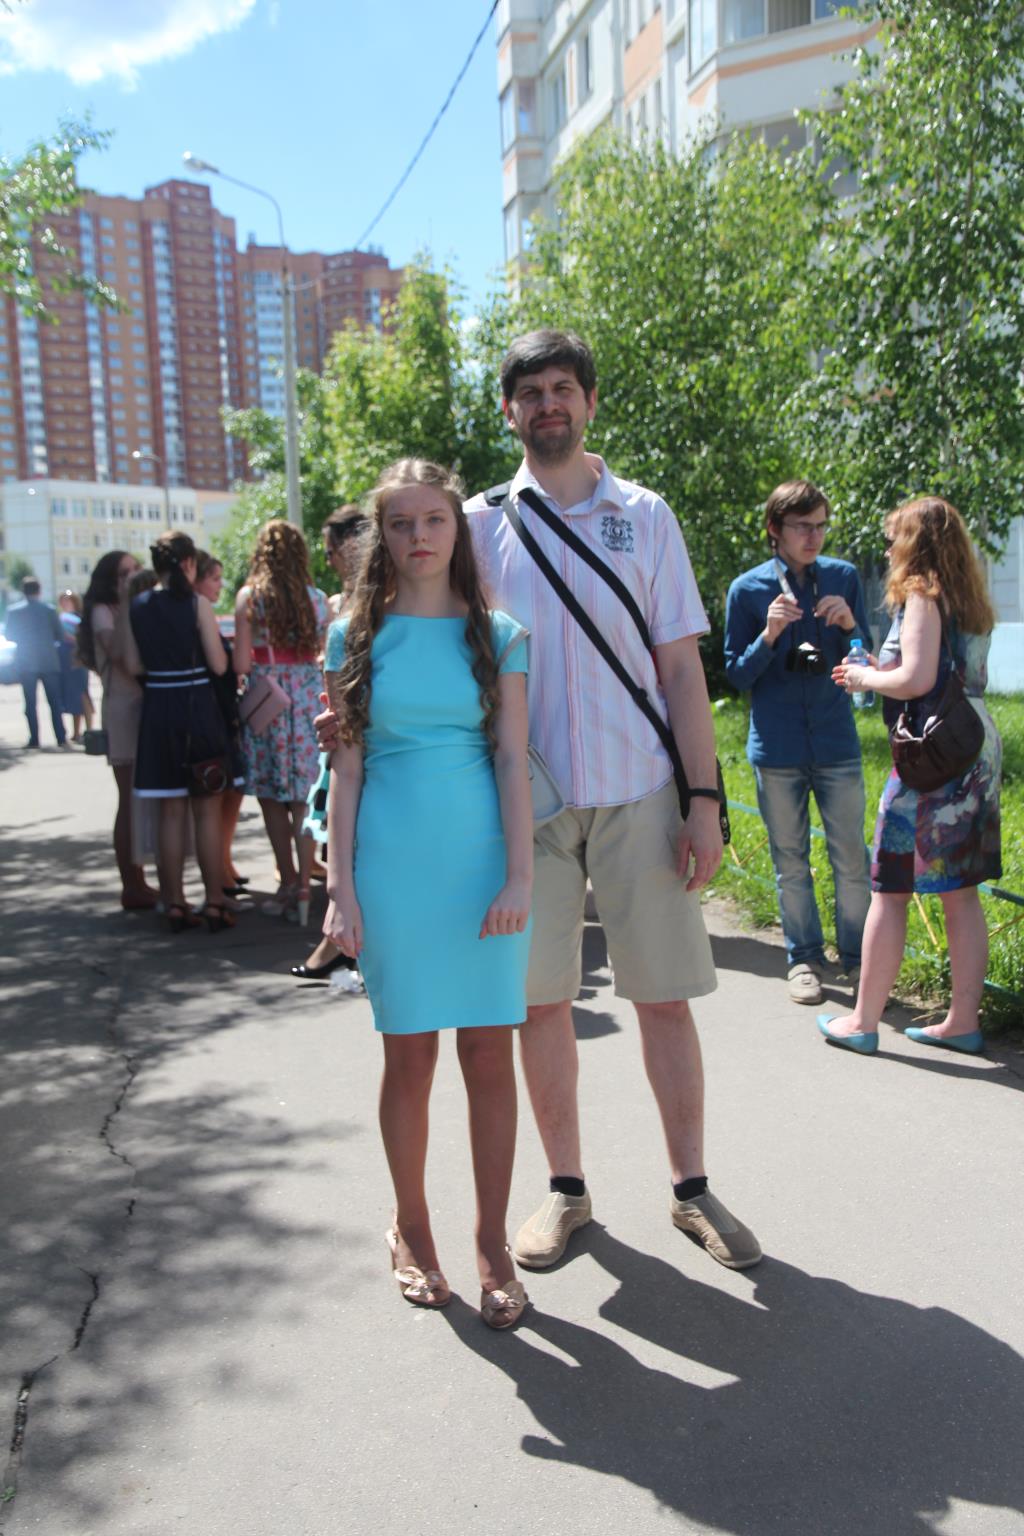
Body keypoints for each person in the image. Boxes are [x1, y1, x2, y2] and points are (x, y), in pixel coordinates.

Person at [326, 458, 533, 1329]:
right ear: (382, 535)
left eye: (434, 520)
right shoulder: (352, 636)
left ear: (459, 529)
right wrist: (339, 888)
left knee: (489, 1055)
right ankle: (411, 1228)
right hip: (392, 867)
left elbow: (512, 761)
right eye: (401, 523)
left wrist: (521, 873)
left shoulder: (502, 635)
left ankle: (491, 1243)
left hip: (483, 865)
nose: (419, 537)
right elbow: (345, 770)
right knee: (408, 1057)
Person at [819, 496, 1002, 1056]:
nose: (887, 548)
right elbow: (947, 672)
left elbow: (918, 679)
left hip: (930, 754)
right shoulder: (968, 598)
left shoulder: (921, 591)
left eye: (893, 537)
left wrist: (864, 679)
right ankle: (962, 1021)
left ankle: (862, 1020)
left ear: (914, 543)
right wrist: (883, 670)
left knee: (890, 886)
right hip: (972, 745)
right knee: (962, 892)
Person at [724, 482, 873, 1004]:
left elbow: (869, 660)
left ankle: (859, 961)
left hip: (836, 742)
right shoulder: (747, 590)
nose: (814, 536)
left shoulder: (844, 578)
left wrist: (851, 628)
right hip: (779, 748)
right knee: (790, 861)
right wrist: (768, 636)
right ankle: (804, 959)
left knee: (851, 858)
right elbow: (736, 676)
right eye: (803, 526)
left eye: (821, 525)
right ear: (775, 529)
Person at [124, 532, 233, 933]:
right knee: (207, 808)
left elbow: (133, 664)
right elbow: (219, 665)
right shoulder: (196, 604)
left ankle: (173, 901)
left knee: (169, 810)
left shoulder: (138, 605)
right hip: (196, 706)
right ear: (188, 563)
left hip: (158, 707)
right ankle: (215, 900)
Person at [234, 520, 329, 927]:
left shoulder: (250, 598)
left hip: (268, 700)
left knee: (272, 796)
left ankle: (288, 882)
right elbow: (323, 653)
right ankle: (307, 883)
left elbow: (240, 663)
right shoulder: (318, 600)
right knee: (305, 795)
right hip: (306, 696)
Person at [293, 505, 369, 981]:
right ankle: (342, 940)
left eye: (330, 551)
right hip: (344, 736)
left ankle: (344, 944)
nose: (329, 561)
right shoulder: (343, 603)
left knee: (352, 837)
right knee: (339, 837)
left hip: (363, 741)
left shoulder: (362, 605)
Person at [80, 551, 157, 910]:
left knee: (139, 801)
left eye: (135, 569)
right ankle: (131, 883)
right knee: (127, 799)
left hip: (139, 706)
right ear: (110, 579)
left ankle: (139, 880)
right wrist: (128, 604)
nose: (133, 576)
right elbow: (120, 655)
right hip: (123, 710)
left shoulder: (131, 607)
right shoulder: (104, 611)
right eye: (125, 572)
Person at [194, 551, 247, 896]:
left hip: (220, 712)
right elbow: (219, 666)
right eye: (214, 578)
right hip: (214, 714)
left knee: (232, 790)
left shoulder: (204, 611)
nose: (220, 585)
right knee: (222, 792)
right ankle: (220, 872)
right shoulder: (198, 612)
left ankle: (225, 862)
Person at [6, 577, 67, 749]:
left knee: (30, 703)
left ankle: (34, 739)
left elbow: (10, 635)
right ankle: (60, 737)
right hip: (49, 661)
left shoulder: (14, 611)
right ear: (39, 591)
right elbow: (60, 635)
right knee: (54, 702)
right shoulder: (49, 610)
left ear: (23, 591)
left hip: (26, 662)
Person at [57, 590, 94, 741]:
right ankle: (76, 732)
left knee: (82, 692)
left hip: (78, 658)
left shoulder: (79, 619)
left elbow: (83, 639)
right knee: (73, 695)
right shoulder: (62, 618)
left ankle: (89, 730)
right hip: (66, 659)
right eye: (63, 600)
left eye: (68, 600)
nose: (65, 603)